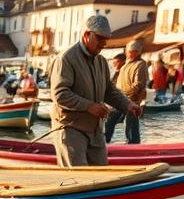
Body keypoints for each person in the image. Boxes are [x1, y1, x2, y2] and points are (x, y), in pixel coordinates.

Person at [49, 15, 142, 167]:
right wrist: (90, 106)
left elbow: (109, 90)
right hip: (70, 128)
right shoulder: (66, 59)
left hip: (95, 130)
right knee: (78, 181)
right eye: (100, 38)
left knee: (101, 176)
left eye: (106, 39)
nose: (104, 43)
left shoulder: (101, 61)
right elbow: (60, 94)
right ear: (86, 35)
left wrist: (127, 104)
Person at [103, 52, 126, 143]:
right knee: (109, 123)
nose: (114, 64)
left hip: (122, 101)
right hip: (117, 101)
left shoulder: (123, 71)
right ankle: (106, 141)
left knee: (110, 122)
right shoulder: (116, 72)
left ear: (121, 62)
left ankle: (106, 141)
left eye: (116, 62)